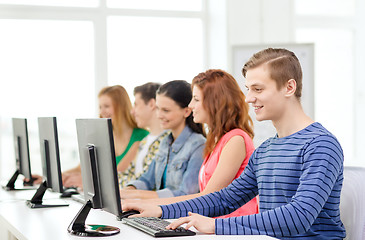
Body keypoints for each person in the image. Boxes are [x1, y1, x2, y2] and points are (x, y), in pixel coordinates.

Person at [122, 48, 346, 239]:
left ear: (289, 87)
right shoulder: (266, 149)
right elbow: (225, 199)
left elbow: (298, 217)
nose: (248, 98)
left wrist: (215, 226)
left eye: (258, 89)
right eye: (248, 89)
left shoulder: (320, 145)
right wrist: (160, 210)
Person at [123, 69, 258, 217]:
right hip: (210, 224)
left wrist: (150, 205)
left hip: (230, 229)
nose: (191, 105)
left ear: (215, 102)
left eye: (196, 99)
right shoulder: (216, 141)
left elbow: (208, 198)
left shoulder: (235, 140)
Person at [120, 80, 206, 199]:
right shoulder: (165, 142)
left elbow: (186, 194)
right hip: (158, 212)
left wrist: (137, 194)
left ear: (186, 111)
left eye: (165, 110)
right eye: (158, 109)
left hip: (179, 215)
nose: (159, 115)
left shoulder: (198, 145)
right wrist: (129, 190)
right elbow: (147, 179)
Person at [62, 85, 149, 188]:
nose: (102, 112)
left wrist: (86, 180)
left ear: (121, 107)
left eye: (107, 106)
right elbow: (82, 168)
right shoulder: (100, 137)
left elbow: (118, 174)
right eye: (100, 107)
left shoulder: (142, 137)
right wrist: (56, 178)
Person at [119, 82, 169, 187]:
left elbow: (144, 180)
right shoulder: (145, 140)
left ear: (151, 104)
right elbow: (129, 174)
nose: (132, 111)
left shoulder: (167, 141)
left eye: (136, 104)